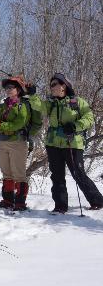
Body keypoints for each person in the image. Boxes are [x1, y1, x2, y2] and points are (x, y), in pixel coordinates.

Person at [43, 73, 103, 214]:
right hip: (53, 144)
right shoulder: (50, 103)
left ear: (63, 85)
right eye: (50, 85)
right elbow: (37, 107)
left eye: (54, 84)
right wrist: (31, 93)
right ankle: (60, 206)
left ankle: (98, 202)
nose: (51, 88)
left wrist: (76, 126)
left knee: (78, 173)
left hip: (72, 143)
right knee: (57, 175)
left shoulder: (77, 102)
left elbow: (89, 118)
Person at [0, 76, 31, 211]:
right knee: (6, 172)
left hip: (18, 142)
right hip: (4, 141)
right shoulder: (4, 105)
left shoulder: (23, 105)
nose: (8, 90)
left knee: (19, 173)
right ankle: (8, 200)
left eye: (11, 87)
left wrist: (2, 125)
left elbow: (19, 123)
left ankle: (20, 202)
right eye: (6, 88)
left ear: (19, 89)